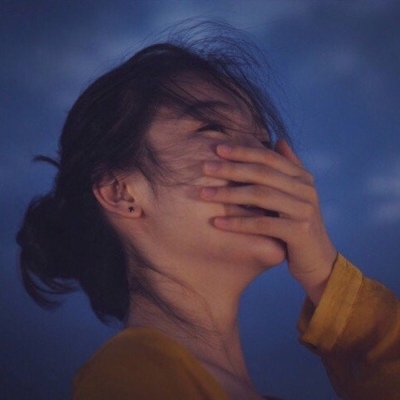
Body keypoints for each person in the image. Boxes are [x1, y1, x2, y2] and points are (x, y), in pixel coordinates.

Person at [16, 23, 400, 400]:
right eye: (212, 127)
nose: (261, 157)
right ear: (121, 193)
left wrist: (325, 274)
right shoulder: (132, 374)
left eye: (262, 140)